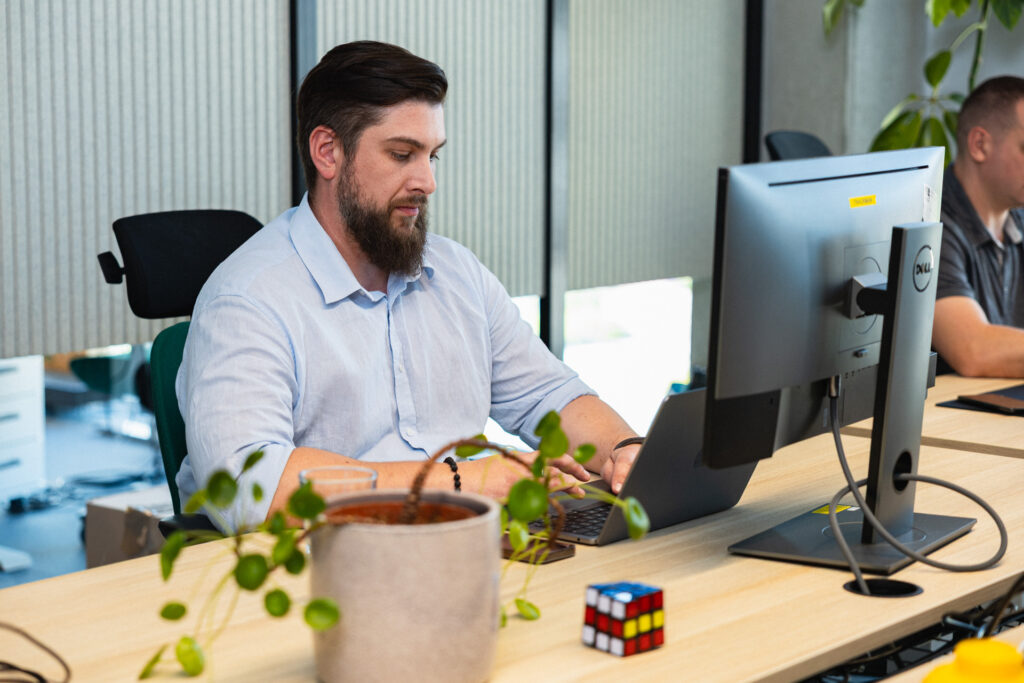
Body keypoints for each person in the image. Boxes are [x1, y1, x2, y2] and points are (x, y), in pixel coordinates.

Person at [175, 41, 642, 528]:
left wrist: (625, 450)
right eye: (402, 154)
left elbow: (549, 395)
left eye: (432, 157)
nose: (427, 182)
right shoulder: (247, 299)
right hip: (328, 564)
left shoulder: (455, 270)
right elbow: (252, 488)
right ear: (327, 153)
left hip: (466, 542)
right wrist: (460, 482)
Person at [932, 75, 1024, 377]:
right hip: (947, 419)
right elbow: (973, 349)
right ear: (980, 144)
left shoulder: (1016, 220)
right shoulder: (931, 225)